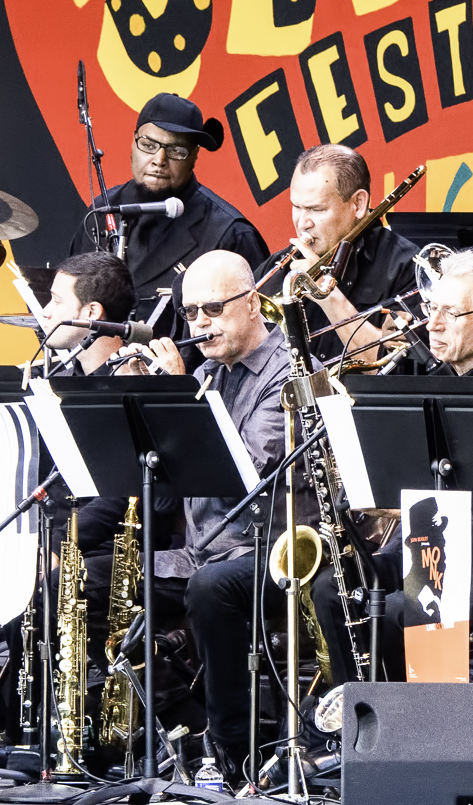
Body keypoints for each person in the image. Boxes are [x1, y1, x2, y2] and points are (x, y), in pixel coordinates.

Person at [314, 250, 473, 680]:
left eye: (451, 313)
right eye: (432, 308)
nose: (432, 324)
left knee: (399, 609)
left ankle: (416, 735)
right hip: (427, 556)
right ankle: (359, 728)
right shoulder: (434, 384)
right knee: (330, 587)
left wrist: (413, 512)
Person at [137, 251, 304, 786]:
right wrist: (147, 405)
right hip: (203, 550)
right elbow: (166, 489)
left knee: (211, 588)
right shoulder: (209, 372)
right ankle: (179, 728)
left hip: (272, 552)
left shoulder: (290, 372)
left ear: (253, 303)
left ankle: (236, 754)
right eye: (191, 315)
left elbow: (246, 470)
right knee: (95, 580)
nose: (200, 324)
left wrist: (179, 398)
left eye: (213, 308)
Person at [70, 93, 267, 339]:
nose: (159, 160)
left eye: (176, 150)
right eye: (149, 145)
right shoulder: (100, 212)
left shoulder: (229, 232)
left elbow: (259, 333)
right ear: (133, 144)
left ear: (194, 156)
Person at [258, 145, 421, 367]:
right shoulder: (281, 265)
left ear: (358, 204)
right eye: (296, 206)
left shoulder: (407, 268)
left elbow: (396, 373)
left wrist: (326, 294)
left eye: (316, 209)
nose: (303, 223)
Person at [39, 250, 143, 376]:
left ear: (92, 312)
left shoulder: (138, 380)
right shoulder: (60, 382)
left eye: (57, 301)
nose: (45, 312)